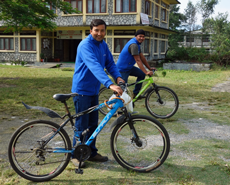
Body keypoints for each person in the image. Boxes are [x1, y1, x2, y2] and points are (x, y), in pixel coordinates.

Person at [71, 19, 124, 168]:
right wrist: (110, 84)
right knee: (82, 125)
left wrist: (118, 77)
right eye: (96, 30)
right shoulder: (85, 46)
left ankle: (91, 153)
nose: (99, 33)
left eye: (102, 30)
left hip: (93, 90)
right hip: (81, 91)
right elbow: (94, 66)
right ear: (91, 31)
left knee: (94, 124)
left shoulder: (103, 45)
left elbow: (110, 64)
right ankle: (76, 155)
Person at [116, 29, 156, 98]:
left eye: (143, 37)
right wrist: (146, 72)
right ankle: (117, 104)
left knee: (141, 74)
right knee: (123, 90)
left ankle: (135, 94)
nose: (142, 38)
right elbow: (138, 60)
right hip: (122, 69)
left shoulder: (137, 44)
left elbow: (142, 57)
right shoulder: (134, 45)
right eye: (140, 36)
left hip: (129, 67)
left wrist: (149, 68)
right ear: (136, 36)